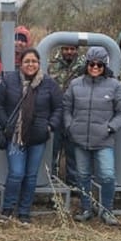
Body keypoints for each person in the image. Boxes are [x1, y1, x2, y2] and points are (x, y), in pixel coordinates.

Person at [0, 48, 62, 224]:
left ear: (39, 64)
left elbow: (59, 108)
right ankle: (7, 209)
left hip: (38, 137)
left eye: (34, 61)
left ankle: (24, 212)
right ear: (20, 64)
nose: (30, 65)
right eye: (27, 61)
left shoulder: (49, 84)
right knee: (16, 173)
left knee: (31, 175)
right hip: (15, 137)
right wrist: (6, 125)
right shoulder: (9, 81)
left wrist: (49, 126)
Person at [63, 46, 121, 226]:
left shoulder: (115, 85)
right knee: (82, 175)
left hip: (103, 140)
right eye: (92, 64)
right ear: (86, 64)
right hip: (80, 140)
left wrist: (110, 128)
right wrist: (70, 126)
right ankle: (86, 208)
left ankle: (107, 210)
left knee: (107, 176)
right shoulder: (75, 84)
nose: (95, 67)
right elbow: (66, 108)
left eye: (99, 64)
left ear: (104, 66)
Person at [46, 43, 84, 183]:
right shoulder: (51, 64)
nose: (69, 52)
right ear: (61, 50)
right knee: (52, 151)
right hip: (54, 114)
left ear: (77, 50)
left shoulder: (84, 67)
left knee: (73, 152)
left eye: (72, 49)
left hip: (75, 114)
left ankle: (73, 184)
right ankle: (52, 183)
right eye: (66, 49)